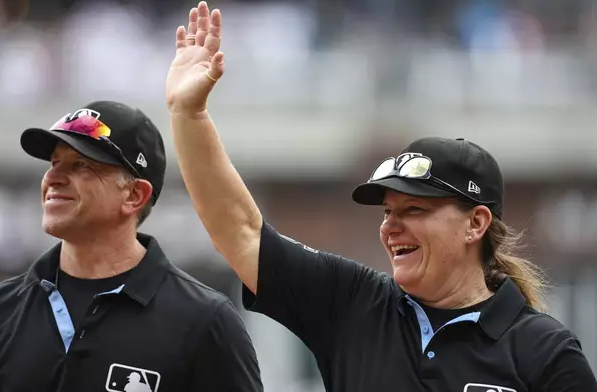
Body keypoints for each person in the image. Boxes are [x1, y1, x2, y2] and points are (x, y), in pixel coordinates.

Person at [165, 2, 597, 391]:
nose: (390, 227)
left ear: (476, 223)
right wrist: (189, 114)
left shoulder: (545, 352)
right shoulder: (354, 303)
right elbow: (240, 231)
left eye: (414, 209)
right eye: (388, 211)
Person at [0, 100, 263, 392]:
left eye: (81, 165)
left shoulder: (206, 320)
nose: (53, 178)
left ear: (134, 196)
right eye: (55, 162)